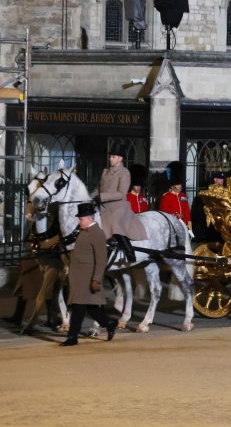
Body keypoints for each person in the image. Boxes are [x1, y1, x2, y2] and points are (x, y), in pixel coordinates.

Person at [60, 203, 118, 347]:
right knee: (91, 308)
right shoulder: (84, 231)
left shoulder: (97, 233)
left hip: (87, 277)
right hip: (79, 277)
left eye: (81, 219)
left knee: (79, 307)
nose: (79, 221)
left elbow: (101, 258)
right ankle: (109, 323)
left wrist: (96, 279)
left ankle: (72, 337)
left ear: (88, 218)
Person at [91, 144, 148, 261]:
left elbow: (121, 193)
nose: (110, 158)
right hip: (102, 205)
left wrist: (102, 196)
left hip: (118, 206)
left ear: (120, 158)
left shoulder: (124, 173)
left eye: (113, 156)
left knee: (115, 224)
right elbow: (98, 188)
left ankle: (129, 252)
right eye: (110, 156)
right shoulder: (105, 172)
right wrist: (89, 198)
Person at [190, 171, 226, 243]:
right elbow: (197, 214)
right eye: (219, 178)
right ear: (215, 179)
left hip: (222, 231)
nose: (222, 180)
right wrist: (200, 234)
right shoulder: (204, 195)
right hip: (207, 231)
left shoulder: (226, 194)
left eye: (222, 179)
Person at [159, 161, 191, 228]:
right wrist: (175, 215)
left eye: (180, 184)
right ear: (172, 186)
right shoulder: (166, 196)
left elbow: (187, 211)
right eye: (177, 184)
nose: (180, 186)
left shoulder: (183, 196)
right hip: (172, 225)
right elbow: (164, 213)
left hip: (183, 225)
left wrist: (189, 225)